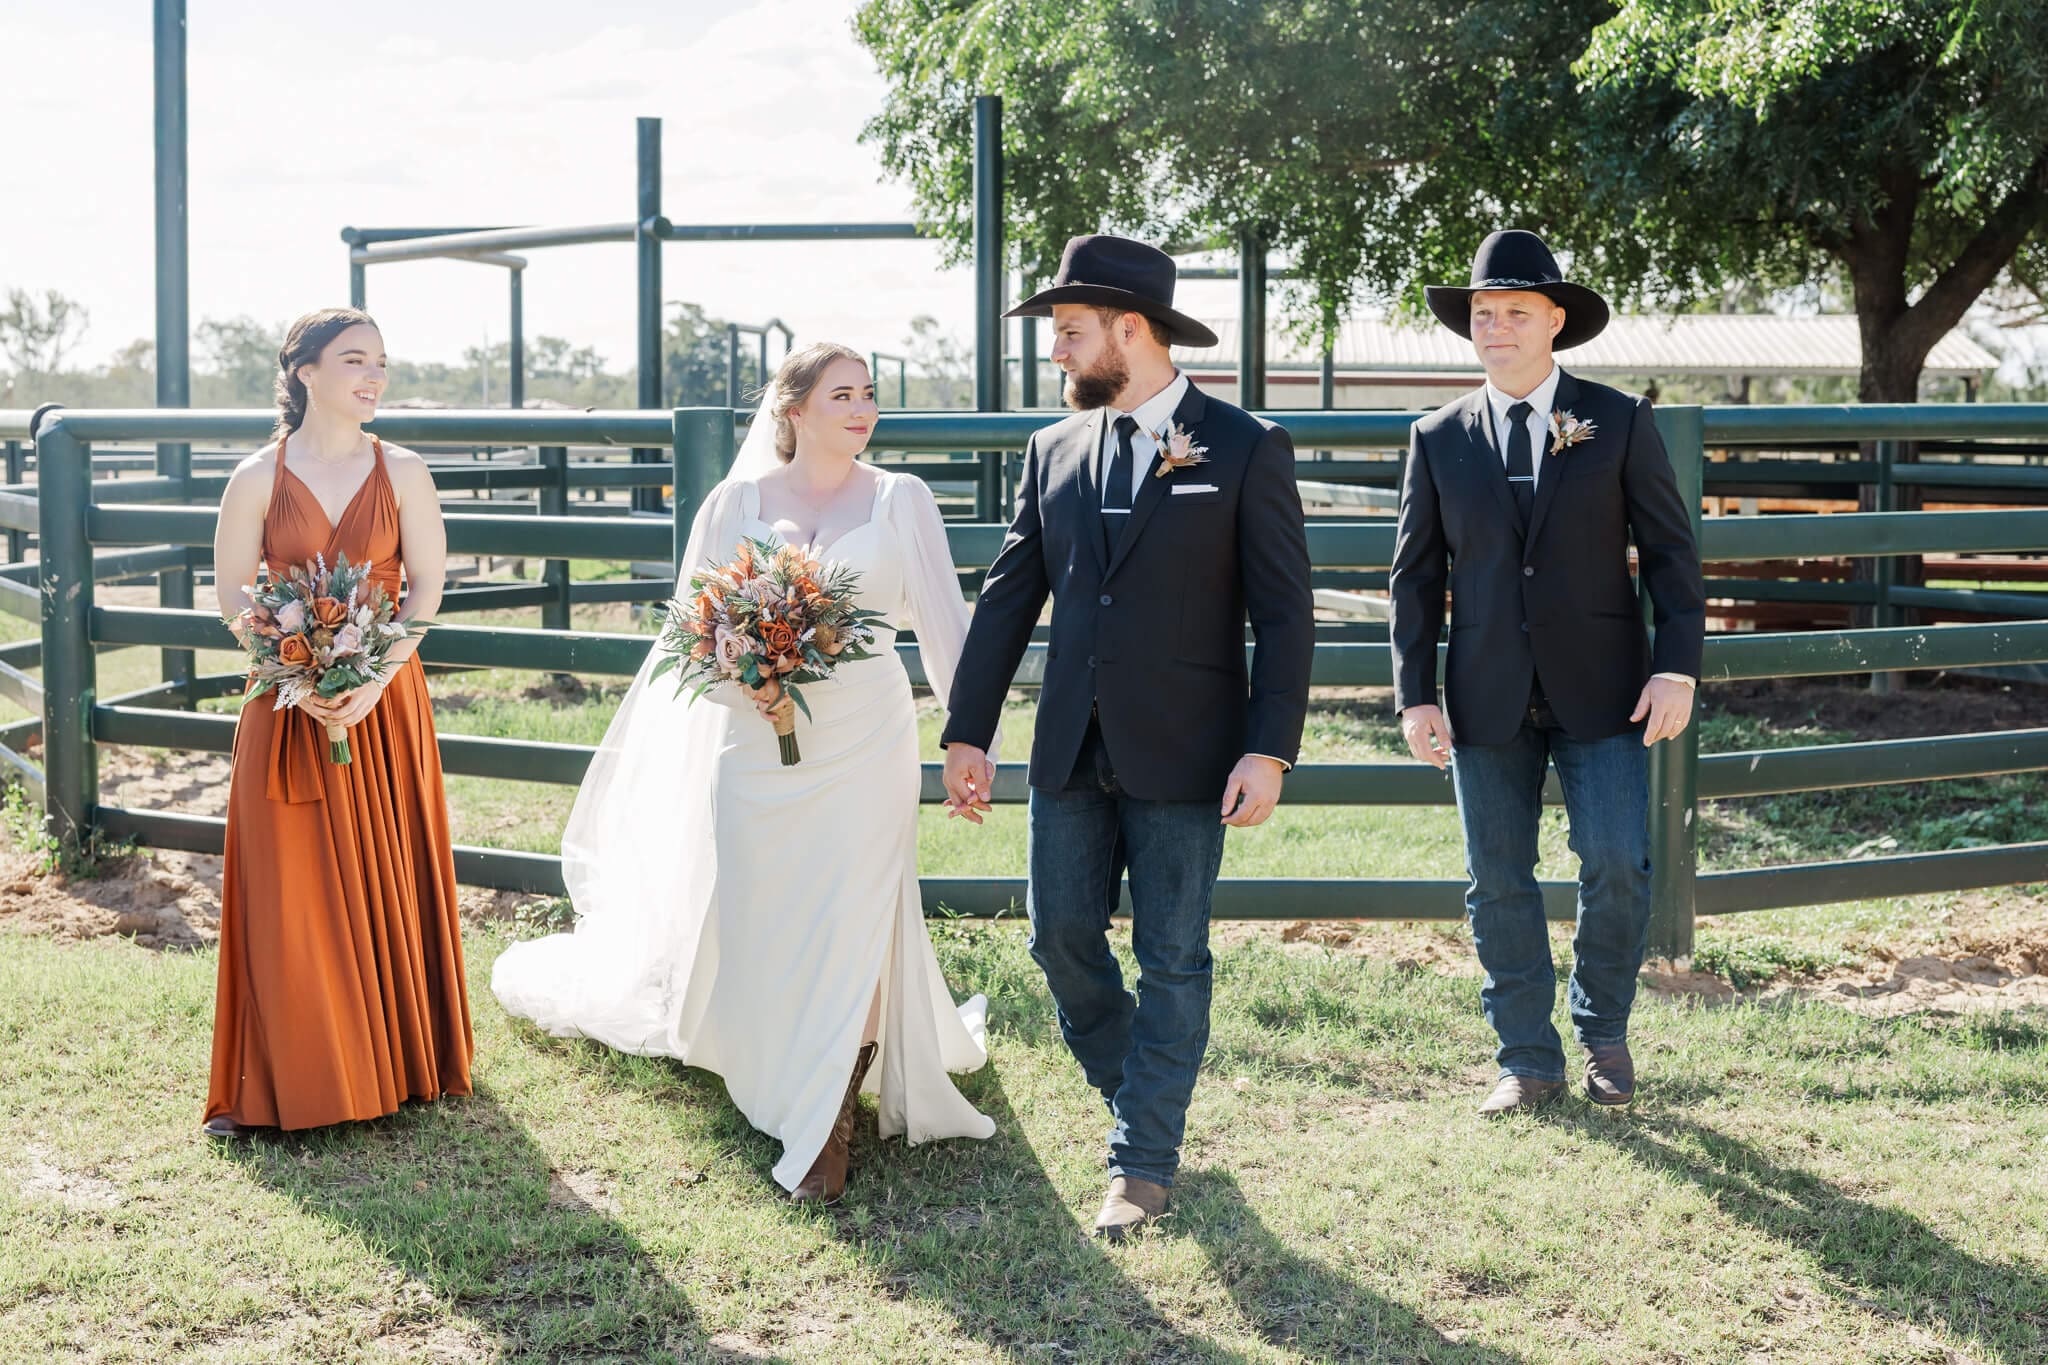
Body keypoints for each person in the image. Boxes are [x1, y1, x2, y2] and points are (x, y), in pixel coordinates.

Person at [493, 342, 996, 1204]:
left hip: (868, 736)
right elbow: (693, 635)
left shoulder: (900, 499)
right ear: (791, 410)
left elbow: (949, 628)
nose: (862, 407)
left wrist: (968, 740)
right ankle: (783, 1062)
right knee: (766, 909)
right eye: (841, 394)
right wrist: (750, 693)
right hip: (755, 743)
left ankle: (829, 1118)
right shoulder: (736, 503)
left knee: (862, 906)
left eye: (868, 394)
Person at [940, 235, 1315, 1238]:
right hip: (1067, 746)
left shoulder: (1242, 445)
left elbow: (1284, 616)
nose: (1055, 351)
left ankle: (1141, 1162)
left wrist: (1267, 747)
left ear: (1130, 330)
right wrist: (966, 731)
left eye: (1068, 332)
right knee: (1058, 939)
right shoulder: (1050, 449)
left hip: (1191, 750)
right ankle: (1136, 1104)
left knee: (1172, 956)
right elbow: (1009, 598)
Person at [1388, 229, 1705, 1117]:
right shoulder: (1437, 437)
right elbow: (1413, 578)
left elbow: (1673, 560)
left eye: (1514, 312)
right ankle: (1526, 1057)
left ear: (1555, 321)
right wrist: (1415, 691)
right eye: (1483, 313)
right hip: (1484, 692)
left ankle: (1603, 1028)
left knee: (1615, 862)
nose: (1494, 327)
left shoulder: (1619, 422)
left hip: (1605, 685)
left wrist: (1676, 667)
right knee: (1497, 879)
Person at [204, 307, 471, 1137]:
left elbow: (426, 586)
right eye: (355, 360)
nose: (373, 376)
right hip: (283, 705)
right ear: (304, 371)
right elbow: (232, 599)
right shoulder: (256, 476)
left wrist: (372, 680)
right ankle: (285, 1079)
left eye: (381, 362)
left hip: (382, 702)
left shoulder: (406, 470)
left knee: (384, 869)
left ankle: (398, 1064)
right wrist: (298, 673)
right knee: (287, 884)